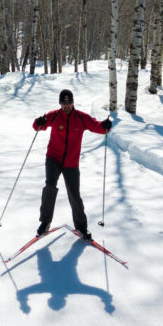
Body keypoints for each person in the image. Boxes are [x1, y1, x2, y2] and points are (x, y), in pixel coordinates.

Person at [32, 89, 113, 241]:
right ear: (60, 103)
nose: (66, 106)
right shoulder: (54, 115)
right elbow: (37, 126)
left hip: (71, 163)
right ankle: (45, 222)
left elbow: (98, 127)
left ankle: (81, 227)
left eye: (68, 103)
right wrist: (39, 122)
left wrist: (106, 125)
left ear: (73, 103)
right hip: (53, 159)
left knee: (74, 195)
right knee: (50, 186)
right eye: (63, 103)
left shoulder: (81, 118)